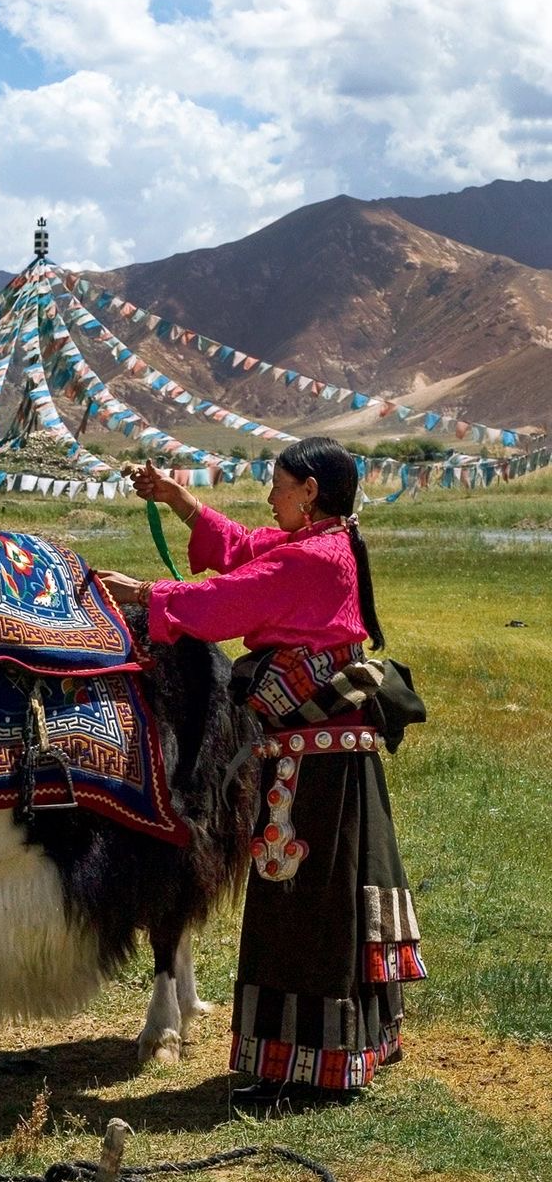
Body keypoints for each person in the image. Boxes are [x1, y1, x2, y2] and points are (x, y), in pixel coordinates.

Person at [99, 436, 426, 1112]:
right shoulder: (322, 545)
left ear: (310, 492)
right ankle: (325, 1055)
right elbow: (245, 550)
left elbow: (231, 597)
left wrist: (146, 594)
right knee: (310, 899)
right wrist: (178, 499)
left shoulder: (315, 559)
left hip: (316, 765)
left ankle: (312, 1066)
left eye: (279, 485)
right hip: (313, 757)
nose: (270, 496)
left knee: (304, 906)